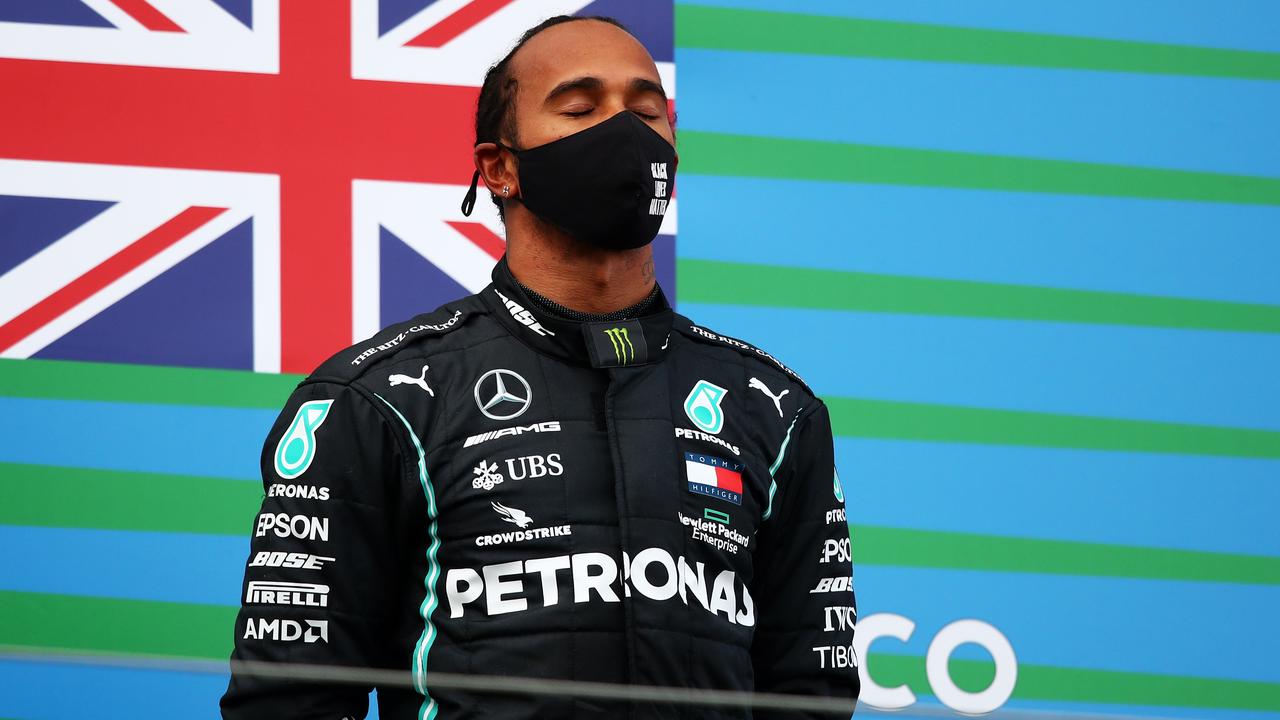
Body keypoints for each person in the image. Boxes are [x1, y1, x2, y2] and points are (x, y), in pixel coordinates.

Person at [221, 15, 858, 720]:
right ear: (500, 168)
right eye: (581, 108)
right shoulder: (378, 399)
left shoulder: (774, 408)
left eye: (648, 112)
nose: (627, 132)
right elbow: (288, 698)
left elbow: (812, 695)